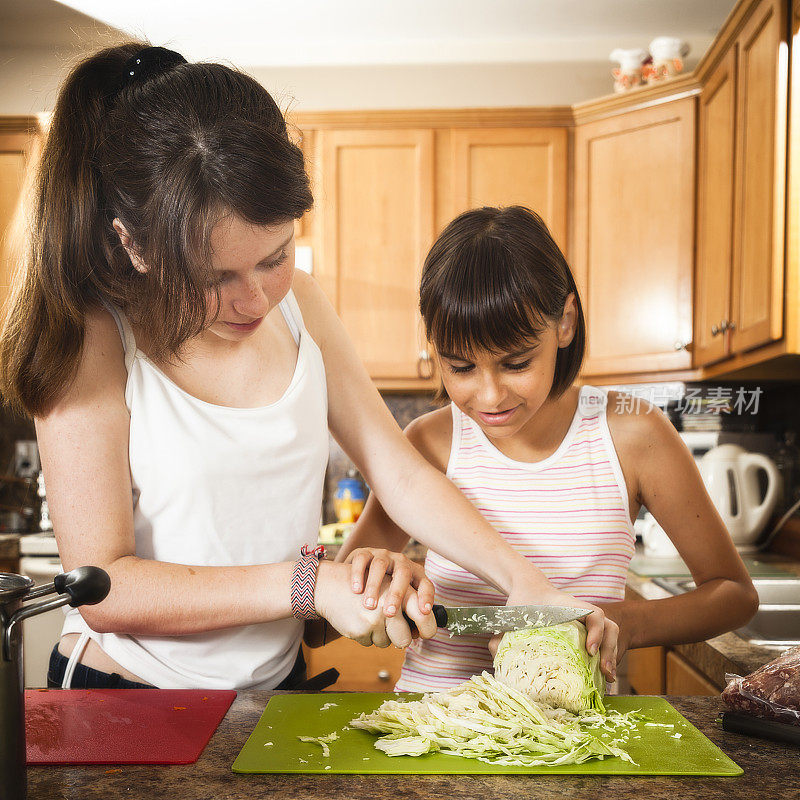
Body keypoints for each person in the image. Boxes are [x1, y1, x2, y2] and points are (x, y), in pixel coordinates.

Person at [0, 44, 615, 691]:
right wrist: (311, 584)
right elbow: (102, 587)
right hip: (126, 698)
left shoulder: (301, 305)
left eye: (275, 256)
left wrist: (525, 581)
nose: (255, 298)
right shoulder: (89, 335)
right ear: (135, 244)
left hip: (274, 688)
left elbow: (399, 472)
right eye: (215, 277)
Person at [338, 205, 759, 692]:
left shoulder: (635, 435)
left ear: (565, 321)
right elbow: (325, 615)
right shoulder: (428, 444)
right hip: (432, 725)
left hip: (571, 735)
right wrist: (381, 582)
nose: (491, 396)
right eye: (460, 368)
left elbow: (734, 594)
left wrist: (608, 623)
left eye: (516, 363)